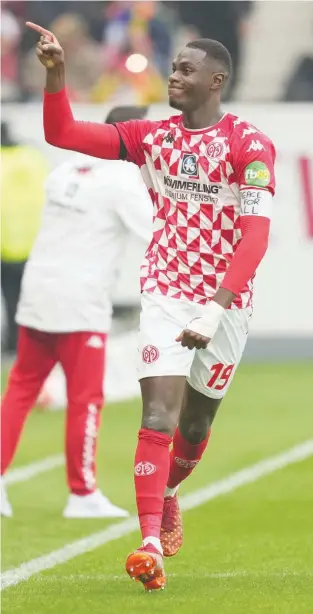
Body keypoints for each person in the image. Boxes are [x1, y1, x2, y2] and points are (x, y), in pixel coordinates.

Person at [26, 21, 276, 591]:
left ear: (216, 81)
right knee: (157, 414)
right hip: (164, 291)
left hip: (224, 304)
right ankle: (146, 545)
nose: (173, 75)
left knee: (195, 422)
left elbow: (256, 236)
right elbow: (63, 131)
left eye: (186, 69)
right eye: (173, 67)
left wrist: (218, 305)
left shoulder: (249, 145)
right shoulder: (151, 138)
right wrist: (57, 74)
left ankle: (166, 494)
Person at [0, 105, 153, 520]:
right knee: (85, 397)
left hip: (38, 289)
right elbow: (156, 232)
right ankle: (82, 492)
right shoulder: (122, 180)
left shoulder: (66, 169)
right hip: (79, 301)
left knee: (21, 388)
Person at [1, 121, 49, 355]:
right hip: (36, 245)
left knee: (11, 300)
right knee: (34, 301)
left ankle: (14, 346)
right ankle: (37, 345)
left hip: (6, 247)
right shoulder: (33, 157)